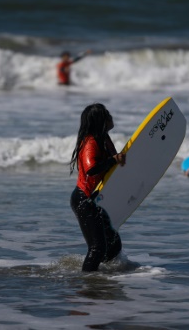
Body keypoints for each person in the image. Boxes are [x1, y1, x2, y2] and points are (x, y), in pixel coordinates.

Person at [69, 103, 126, 272]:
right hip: (85, 200)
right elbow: (91, 169)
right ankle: (88, 282)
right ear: (100, 120)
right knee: (97, 248)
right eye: (106, 114)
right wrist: (113, 160)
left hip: (97, 200)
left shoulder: (103, 138)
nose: (110, 116)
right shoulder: (90, 142)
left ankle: (104, 278)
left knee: (114, 245)